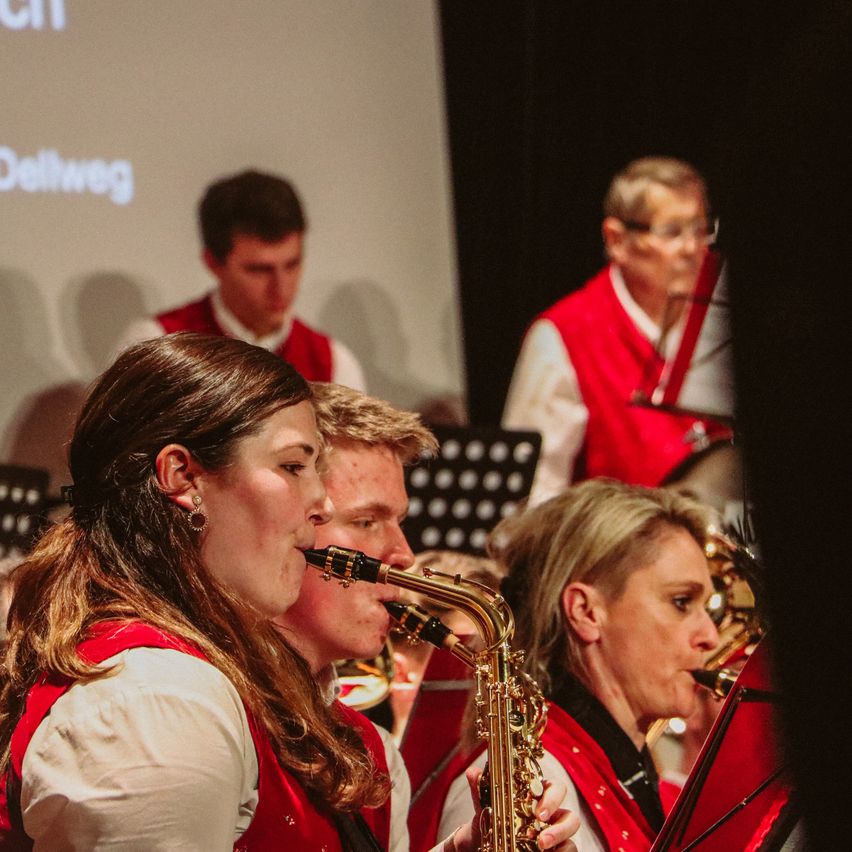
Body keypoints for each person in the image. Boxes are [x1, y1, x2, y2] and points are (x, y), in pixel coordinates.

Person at [0, 333, 387, 849]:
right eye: (292, 466)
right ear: (182, 477)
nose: (319, 501)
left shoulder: (186, 678)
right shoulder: (156, 702)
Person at [275, 382, 580, 852]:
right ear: (288, 523)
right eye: (366, 522)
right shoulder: (201, 709)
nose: (404, 554)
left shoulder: (373, 751)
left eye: (400, 521)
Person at [438, 478, 720, 852]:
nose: (710, 637)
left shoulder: (636, 782)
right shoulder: (525, 788)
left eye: (708, 609)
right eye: (682, 602)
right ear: (586, 611)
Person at [503, 157, 729, 505]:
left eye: (700, 229)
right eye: (672, 231)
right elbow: (533, 496)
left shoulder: (716, 321)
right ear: (617, 239)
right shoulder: (563, 335)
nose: (692, 248)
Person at [116, 169, 366, 388]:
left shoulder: (334, 363)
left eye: (292, 264)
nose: (281, 287)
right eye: (259, 270)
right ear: (213, 263)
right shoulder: (155, 345)